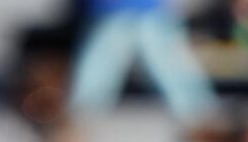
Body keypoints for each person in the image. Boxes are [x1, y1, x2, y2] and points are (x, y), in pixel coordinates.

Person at [69, 0, 216, 121]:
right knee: (98, 72)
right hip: (115, 11)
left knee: (172, 68)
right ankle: (200, 114)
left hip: (150, 12)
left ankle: (200, 115)